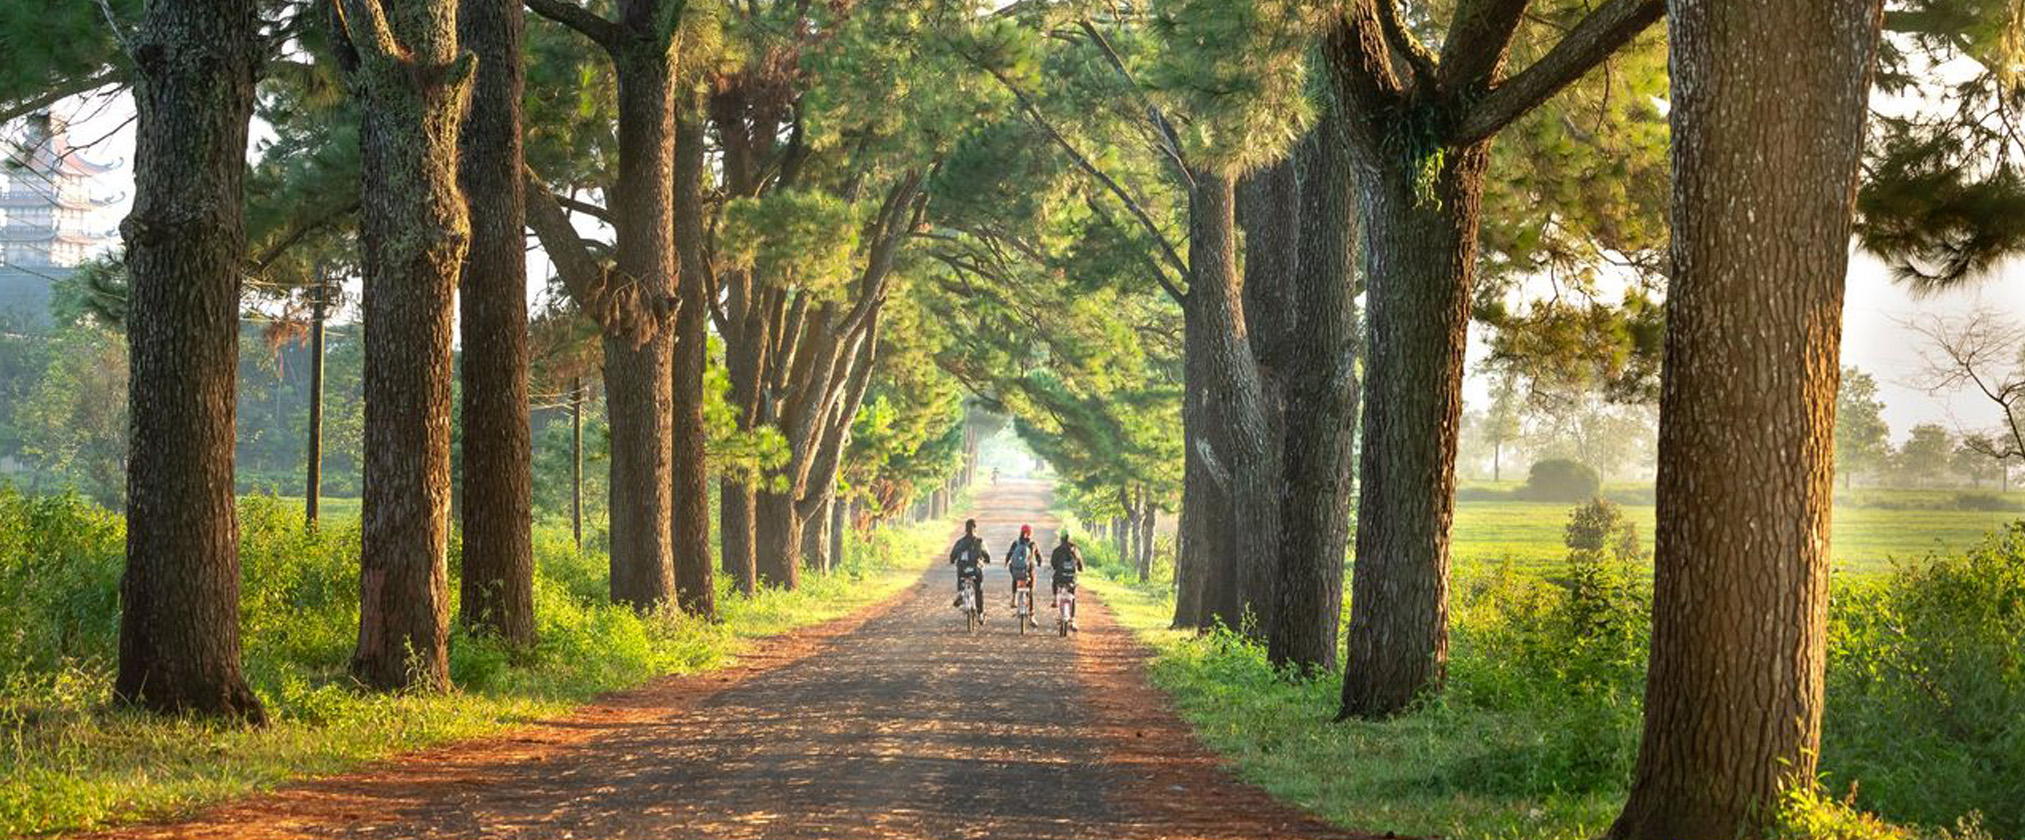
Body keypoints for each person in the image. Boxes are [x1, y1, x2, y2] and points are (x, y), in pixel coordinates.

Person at [948, 519, 991, 619]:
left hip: (963, 571)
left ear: (965, 530)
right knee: (979, 590)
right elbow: (987, 555)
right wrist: (986, 560)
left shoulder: (960, 542)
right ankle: (980, 613)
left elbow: (952, 556)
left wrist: (952, 560)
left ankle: (961, 592)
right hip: (975, 571)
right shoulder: (980, 542)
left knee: (960, 576)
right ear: (975, 529)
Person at [1049, 531, 1084, 628]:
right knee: (1072, 597)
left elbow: (1053, 564)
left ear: (1061, 538)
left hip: (1060, 578)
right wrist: (1080, 569)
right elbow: (1080, 566)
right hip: (1071, 578)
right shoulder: (1075, 550)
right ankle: (1072, 620)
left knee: (1054, 580)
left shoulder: (1057, 550)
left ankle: (1055, 599)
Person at [1005, 524, 1040, 618]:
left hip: (1016, 572)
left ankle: (1013, 598)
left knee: (1015, 576)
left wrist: (1006, 562)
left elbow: (1009, 554)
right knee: (1031, 590)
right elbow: (1038, 557)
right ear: (1030, 533)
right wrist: (1039, 563)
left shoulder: (1016, 543)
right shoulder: (1032, 544)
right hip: (1029, 571)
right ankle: (1031, 614)